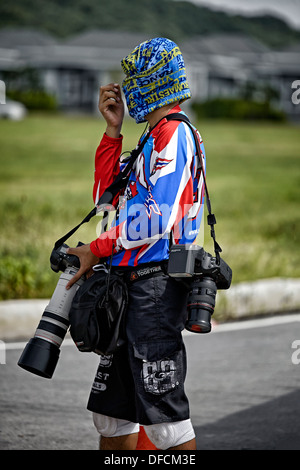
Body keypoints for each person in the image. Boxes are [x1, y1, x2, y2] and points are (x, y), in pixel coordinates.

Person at [66, 37, 206, 450]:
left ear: (153, 81)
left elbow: (157, 218)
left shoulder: (175, 135)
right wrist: (112, 132)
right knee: (111, 418)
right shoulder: (150, 137)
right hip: (128, 287)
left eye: (133, 79)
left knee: (165, 421)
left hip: (156, 289)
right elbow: (105, 204)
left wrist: (97, 249)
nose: (126, 88)